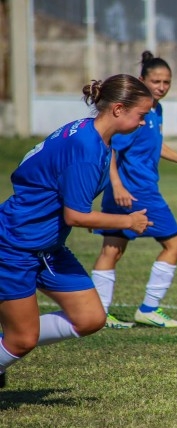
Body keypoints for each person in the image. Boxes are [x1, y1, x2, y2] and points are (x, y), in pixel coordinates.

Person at [0, 75, 154, 388]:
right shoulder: (85, 147)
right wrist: (128, 222)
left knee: (90, 319)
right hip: (15, 244)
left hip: (47, 247)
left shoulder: (88, 131)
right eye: (141, 115)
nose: (143, 123)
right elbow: (76, 216)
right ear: (118, 109)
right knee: (22, 340)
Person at [91, 51, 177, 329]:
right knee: (175, 245)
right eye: (156, 81)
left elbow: (155, 145)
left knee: (112, 250)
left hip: (127, 190)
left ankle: (98, 314)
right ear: (141, 80)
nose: (161, 86)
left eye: (166, 82)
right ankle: (149, 308)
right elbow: (109, 147)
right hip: (137, 191)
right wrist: (118, 184)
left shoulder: (153, 110)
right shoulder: (134, 112)